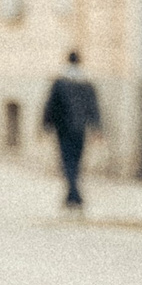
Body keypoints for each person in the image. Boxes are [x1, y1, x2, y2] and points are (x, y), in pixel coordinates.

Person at [41, 50, 103, 209]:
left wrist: (45, 125)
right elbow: (93, 106)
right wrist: (96, 127)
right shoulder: (86, 82)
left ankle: (74, 194)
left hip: (63, 128)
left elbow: (51, 105)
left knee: (67, 160)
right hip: (80, 128)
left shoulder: (61, 82)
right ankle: (73, 196)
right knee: (76, 160)